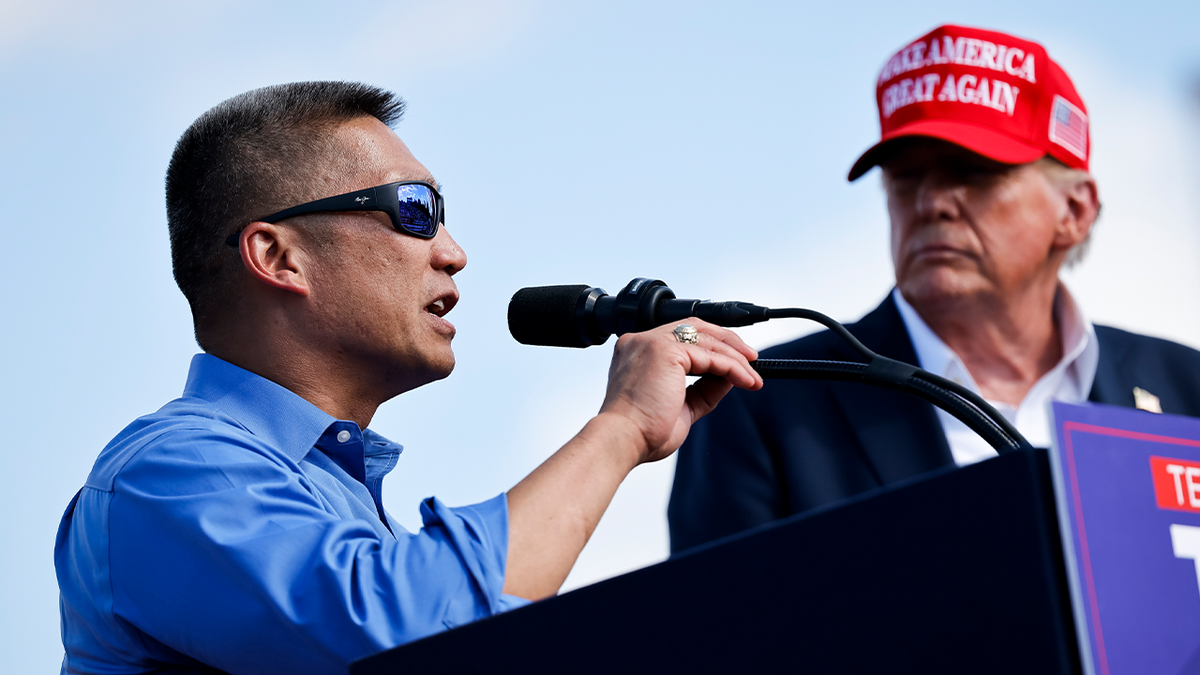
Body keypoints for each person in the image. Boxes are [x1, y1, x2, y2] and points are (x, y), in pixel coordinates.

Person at [54, 81, 763, 675]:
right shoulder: (168, 473)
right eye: (415, 211)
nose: (453, 253)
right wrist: (622, 427)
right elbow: (407, 637)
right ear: (277, 256)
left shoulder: (341, 504)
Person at [668, 24, 1200, 553]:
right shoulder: (760, 407)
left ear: (1075, 210)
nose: (930, 203)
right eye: (905, 178)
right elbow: (718, 634)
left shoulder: (1186, 391)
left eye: (973, 173)